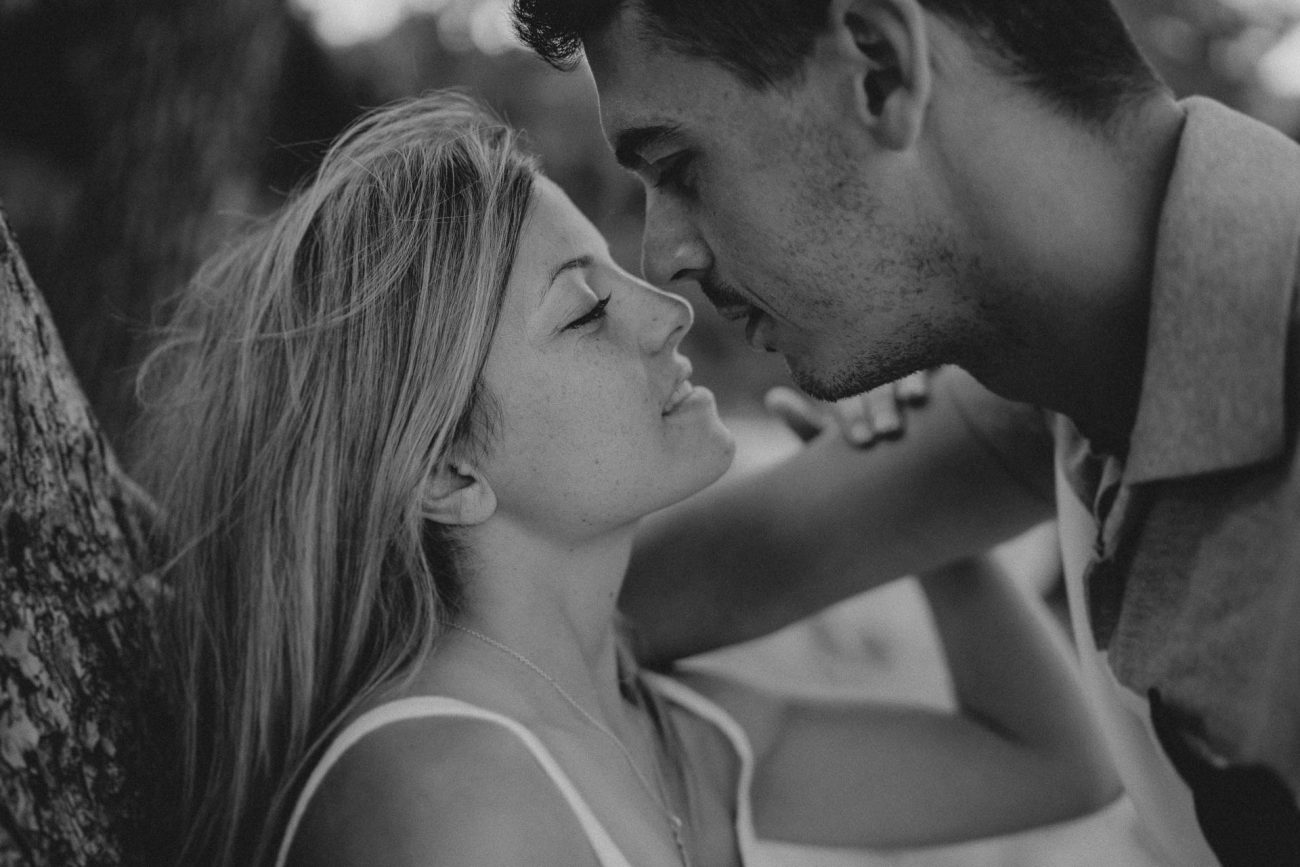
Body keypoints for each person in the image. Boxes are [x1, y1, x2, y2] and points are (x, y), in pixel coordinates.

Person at [133, 92, 1116, 867]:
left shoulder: (668, 731)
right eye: (583, 311)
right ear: (446, 469)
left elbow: (1058, 767)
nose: (669, 311)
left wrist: (922, 545)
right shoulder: (443, 793)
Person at [510, 1, 1300, 864]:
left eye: (680, 167)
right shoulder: (1065, 360)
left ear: (879, 68)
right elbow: (577, 621)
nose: (663, 259)